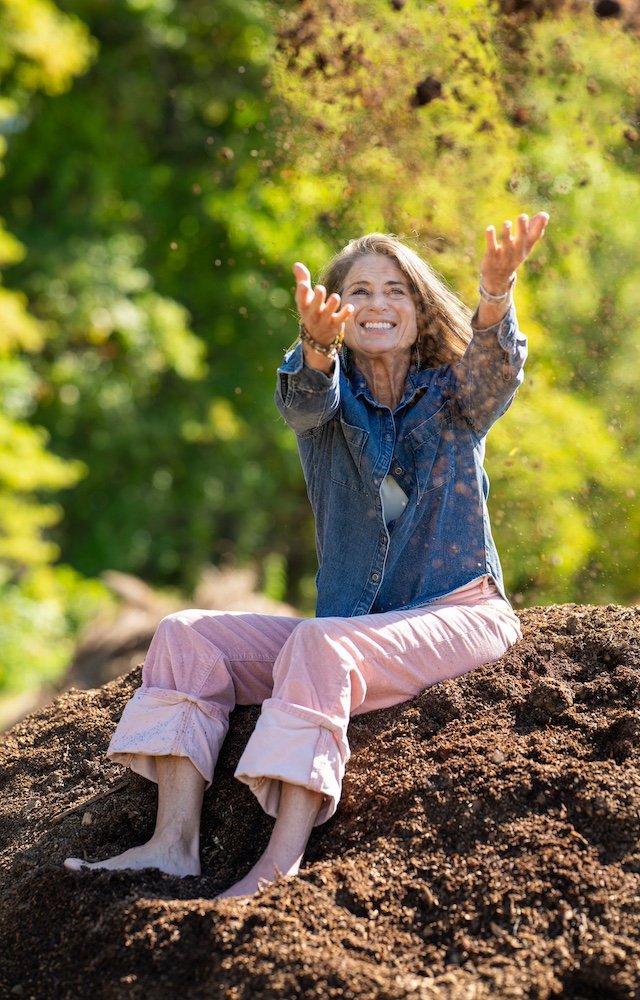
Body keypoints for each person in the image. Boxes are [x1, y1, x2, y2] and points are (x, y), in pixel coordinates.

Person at [65, 211, 549, 898]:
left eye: (395, 290)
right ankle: (171, 846)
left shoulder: (454, 400)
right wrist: (313, 348)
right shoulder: (325, 408)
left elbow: (494, 372)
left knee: (320, 648)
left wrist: (495, 293)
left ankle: (278, 864)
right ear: (333, 312)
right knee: (183, 638)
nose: (376, 303)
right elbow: (302, 397)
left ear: (418, 308)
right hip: (357, 628)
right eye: (357, 292)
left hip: (459, 611)